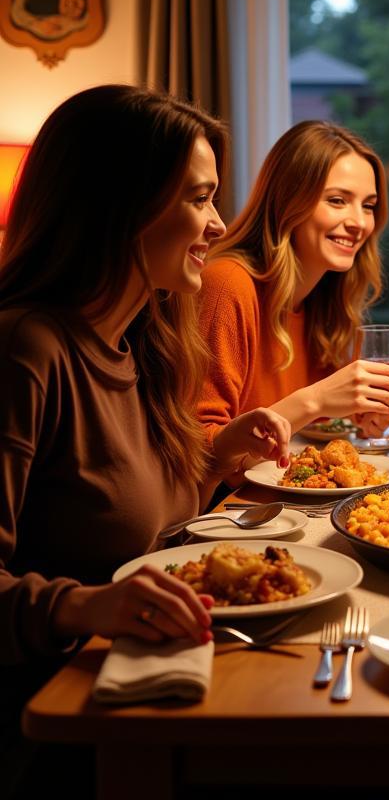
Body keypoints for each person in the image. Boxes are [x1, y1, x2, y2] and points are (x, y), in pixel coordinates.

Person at [0, 84, 291, 786]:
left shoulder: (145, 344)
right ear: (119, 206)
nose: (220, 224)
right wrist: (83, 604)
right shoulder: (27, 348)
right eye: (198, 198)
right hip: (59, 718)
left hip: (148, 677)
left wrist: (218, 457)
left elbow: (138, 517)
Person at [197, 121, 389, 444]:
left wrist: (356, 413)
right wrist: (316, 400)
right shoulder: (228, 284)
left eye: (368, 206)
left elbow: (310, 428)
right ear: (289, 201)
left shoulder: (321, 302)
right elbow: (198, 449)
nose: (358, 223)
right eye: (337, 200)